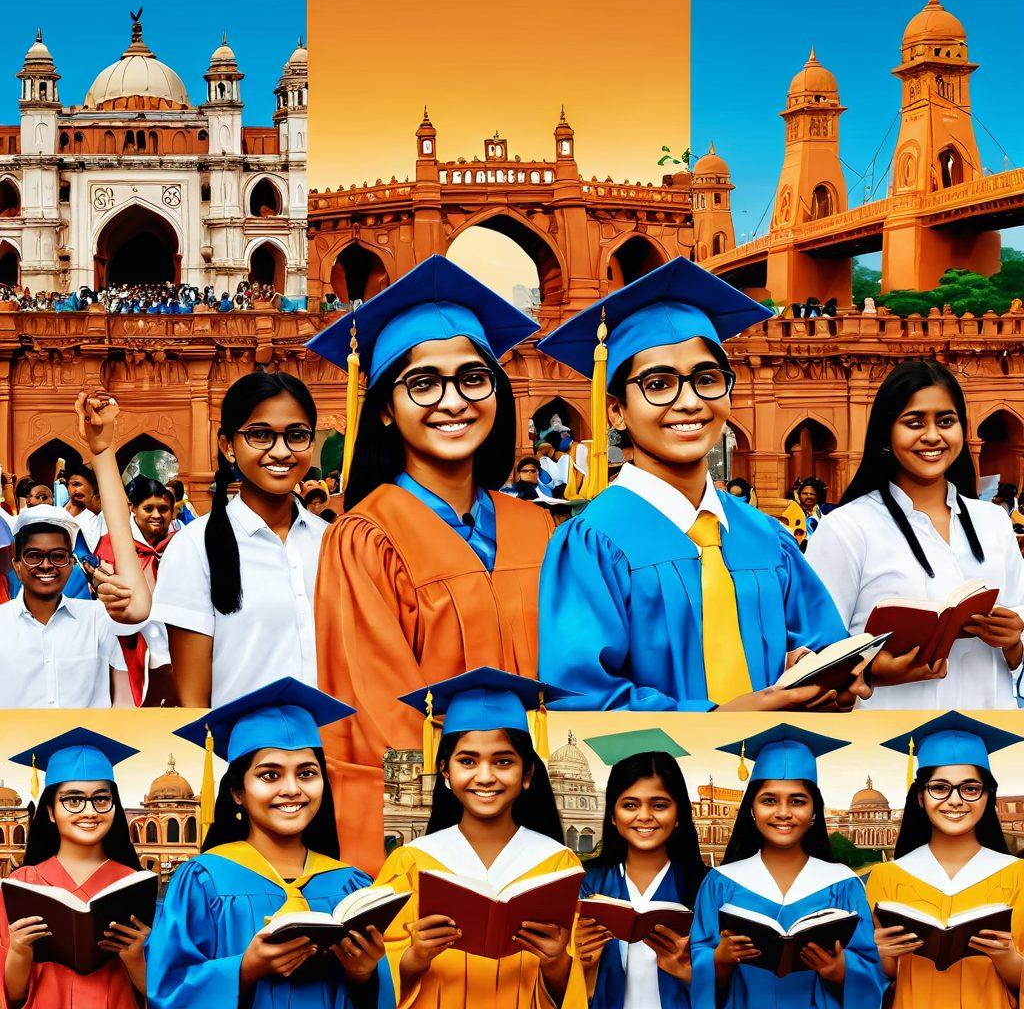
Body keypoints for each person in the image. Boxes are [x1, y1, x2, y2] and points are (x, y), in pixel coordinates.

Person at [308, 256, 551, 871]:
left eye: (474, 378)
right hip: (430, 832)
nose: (453, 402)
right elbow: (381, 713)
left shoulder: (537, 527)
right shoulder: (364, 535)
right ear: (385, 408)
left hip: (542, 822)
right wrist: (470, 826)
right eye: (423, 383)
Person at [535, 257, 854, 713]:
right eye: (658, 384)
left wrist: (821, 674)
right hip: (657, 780)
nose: (689, 403)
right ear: (616, 411)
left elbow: (824, 642)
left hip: (777, 776)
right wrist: (717, 721)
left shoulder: (767, 537)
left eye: (706, 380)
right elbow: (582, 699)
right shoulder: (592, 544)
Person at [145, 678, 392, 1009]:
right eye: (269, 775)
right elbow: (166, 989)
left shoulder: (351, 885)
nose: (292, 789)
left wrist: (364, 976)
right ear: (237, 793)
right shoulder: (203, 881)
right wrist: (244, 970)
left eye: (306, 773)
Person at [805, 360, 1024, 709]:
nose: (933, 436)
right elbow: (813, 653)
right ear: (886, 433)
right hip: (889, 745)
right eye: (914, 422)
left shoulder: (992, 523)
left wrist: (1014, 640)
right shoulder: (847, 529)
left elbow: (1019, 619)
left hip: (988, 735)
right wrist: (874, 671)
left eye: (946, 421)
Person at [375, 669, 586, 1009]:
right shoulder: (410, 862)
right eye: (467, 761)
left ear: (527, 773)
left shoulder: (558, 864)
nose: (485, 777)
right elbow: (375, 972)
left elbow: (575, 978)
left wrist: (556, 962)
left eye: (503, 762)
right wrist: (415, 957)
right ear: (445, 772)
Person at [150, 371, 327, 707]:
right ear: (228, 446)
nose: (281, 451)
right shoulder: (194, 547)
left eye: (297, 435)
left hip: (329, 752)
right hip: (238, 754)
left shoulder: (332, 542)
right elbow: (193, 702)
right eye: (260, 435)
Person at [689, 725, 885, 1009]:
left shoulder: (843, 883)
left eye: (798, 801)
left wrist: (839, 969)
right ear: (752, 810)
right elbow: (698, 960)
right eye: (769, 800)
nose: (783, 812)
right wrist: (719, 960)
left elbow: (871, 967)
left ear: (814, 812)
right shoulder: (720, 882)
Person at [866, 713, 1024, 1009]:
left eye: (970, 788)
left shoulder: (1019, 876)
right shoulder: (887, 876)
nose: (955, 800)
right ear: (920, 797)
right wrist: (883, 954)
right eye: (939, 788)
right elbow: (888, 978)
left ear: (987, 796)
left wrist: (1009, 958)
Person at [0, 729, 151, 1006]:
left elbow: (161, 993)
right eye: (73, 800)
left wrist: (136, 959)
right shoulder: (21, 885)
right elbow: (13, 996)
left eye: (101, 799)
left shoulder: (135, 885)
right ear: (50, 811)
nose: (90, 811)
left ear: (114, 807)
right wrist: (20, 951)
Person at [575, 729, 709, 1008]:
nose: (644, 816)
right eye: (630, 805)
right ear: (612, 815)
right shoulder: (586, 884)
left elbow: (729, 985)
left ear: (679, 815)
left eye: (659, 805)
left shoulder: (705, 886)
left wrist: (688, 973)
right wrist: (582, 963)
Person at [0, 501, 149, 707]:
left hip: (87, 739)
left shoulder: (98, 616)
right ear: (17, 566)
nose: (46, 565)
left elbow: (124, 698)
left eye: (58, 556)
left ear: (71, 564)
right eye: (34, 556)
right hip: (16, 739)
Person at [96, 475, 177, 706]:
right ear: (132, 508)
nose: (157, 515)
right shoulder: (113, 546)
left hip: (172, 643)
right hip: (126, 643)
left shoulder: (179, 544)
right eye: (148, 508)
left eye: (164, 509)